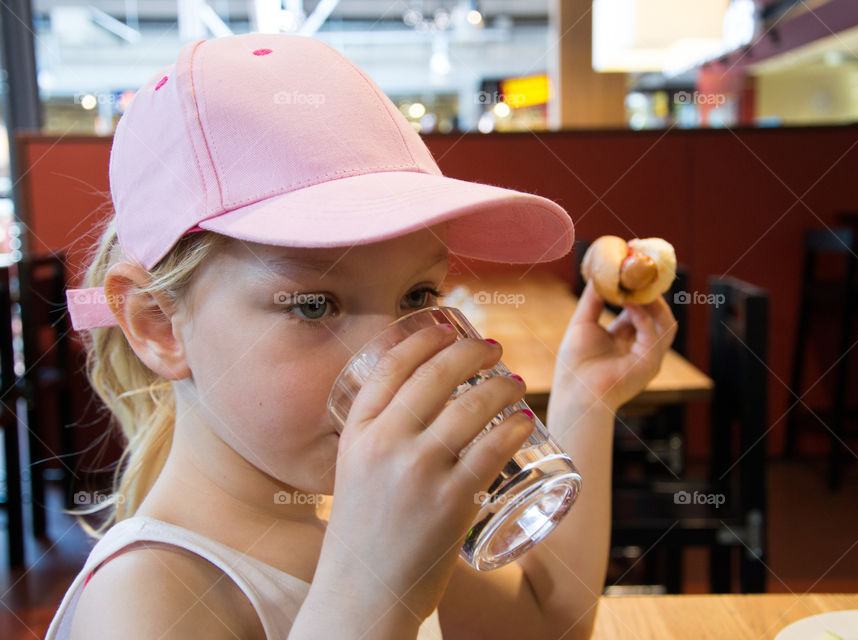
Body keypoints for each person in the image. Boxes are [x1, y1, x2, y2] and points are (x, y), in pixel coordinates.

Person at [45, 32, 677, 640]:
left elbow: (547, 623)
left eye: (418, 297)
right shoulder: (146, 596)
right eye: (315, 305)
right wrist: (373, 589)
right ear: (158, 326)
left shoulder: (343, 519)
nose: (393, 361)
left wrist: (586, 396)